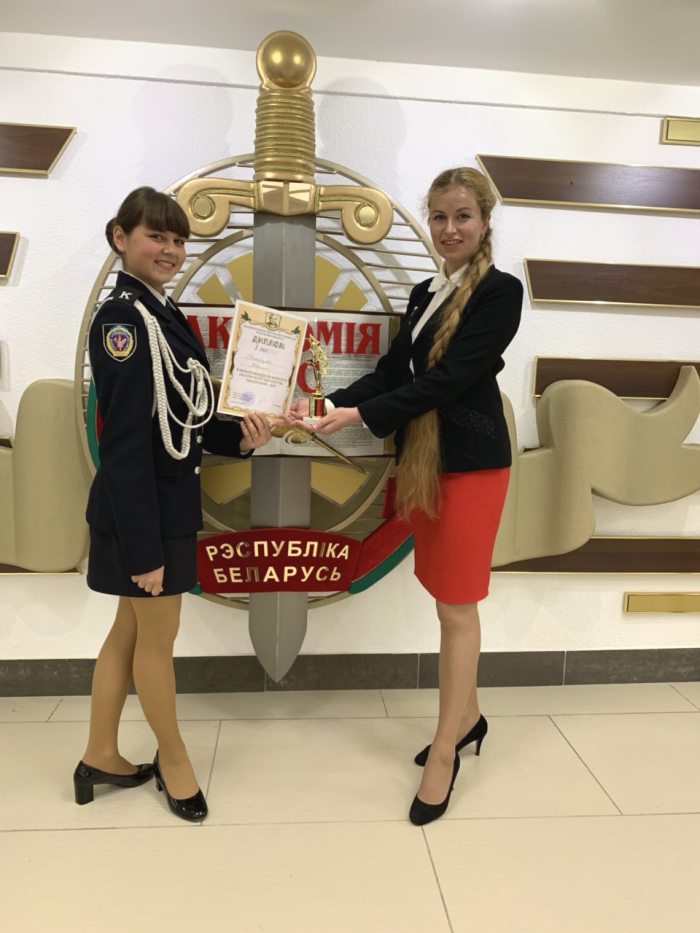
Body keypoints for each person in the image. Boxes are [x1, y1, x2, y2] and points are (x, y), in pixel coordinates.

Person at [291, 167, 523, 825]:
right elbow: (395, 372)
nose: (449, 229)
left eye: (463, 216)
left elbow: (449, 381)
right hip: (426, 463)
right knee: (444, 597)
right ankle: (469, 718)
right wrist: (331, 403)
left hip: (472, 467)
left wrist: (361, 418)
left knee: (457, 607)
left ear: (485, 222)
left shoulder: (500, 292)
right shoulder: (425, 292)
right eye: (439, 216)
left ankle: (445, 752)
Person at [74, 187, 275, 822]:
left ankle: (99, 754)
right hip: (145, 516)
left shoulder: (161, 311)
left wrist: (239, 440)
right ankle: (176, 761)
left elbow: (185, 412)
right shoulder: (123, 322)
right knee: (156, 642)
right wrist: (144, 552)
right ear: (120, 238)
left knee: (129, 632)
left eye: (178, 239)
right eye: (156, 236)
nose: (170, 249)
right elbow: (125, 444)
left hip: (155, 506)